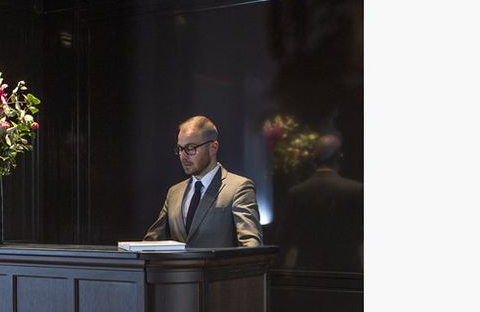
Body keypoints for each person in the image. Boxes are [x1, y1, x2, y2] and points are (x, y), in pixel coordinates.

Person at [144, 115, 262, 247]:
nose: (183, 156)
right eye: (180, 149)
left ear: (213, 147)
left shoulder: (238, 188)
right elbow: (151, 242)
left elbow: (251, 246)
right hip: (178, 268)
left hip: (218, 267)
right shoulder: (174, 192)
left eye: (191, 148)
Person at [278, 134, 363, 271]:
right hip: (347, 271)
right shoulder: (355, 190)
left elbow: (286, 235)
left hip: (308, 272)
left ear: (314, 159)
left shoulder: (296, 192)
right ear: (338, 157)